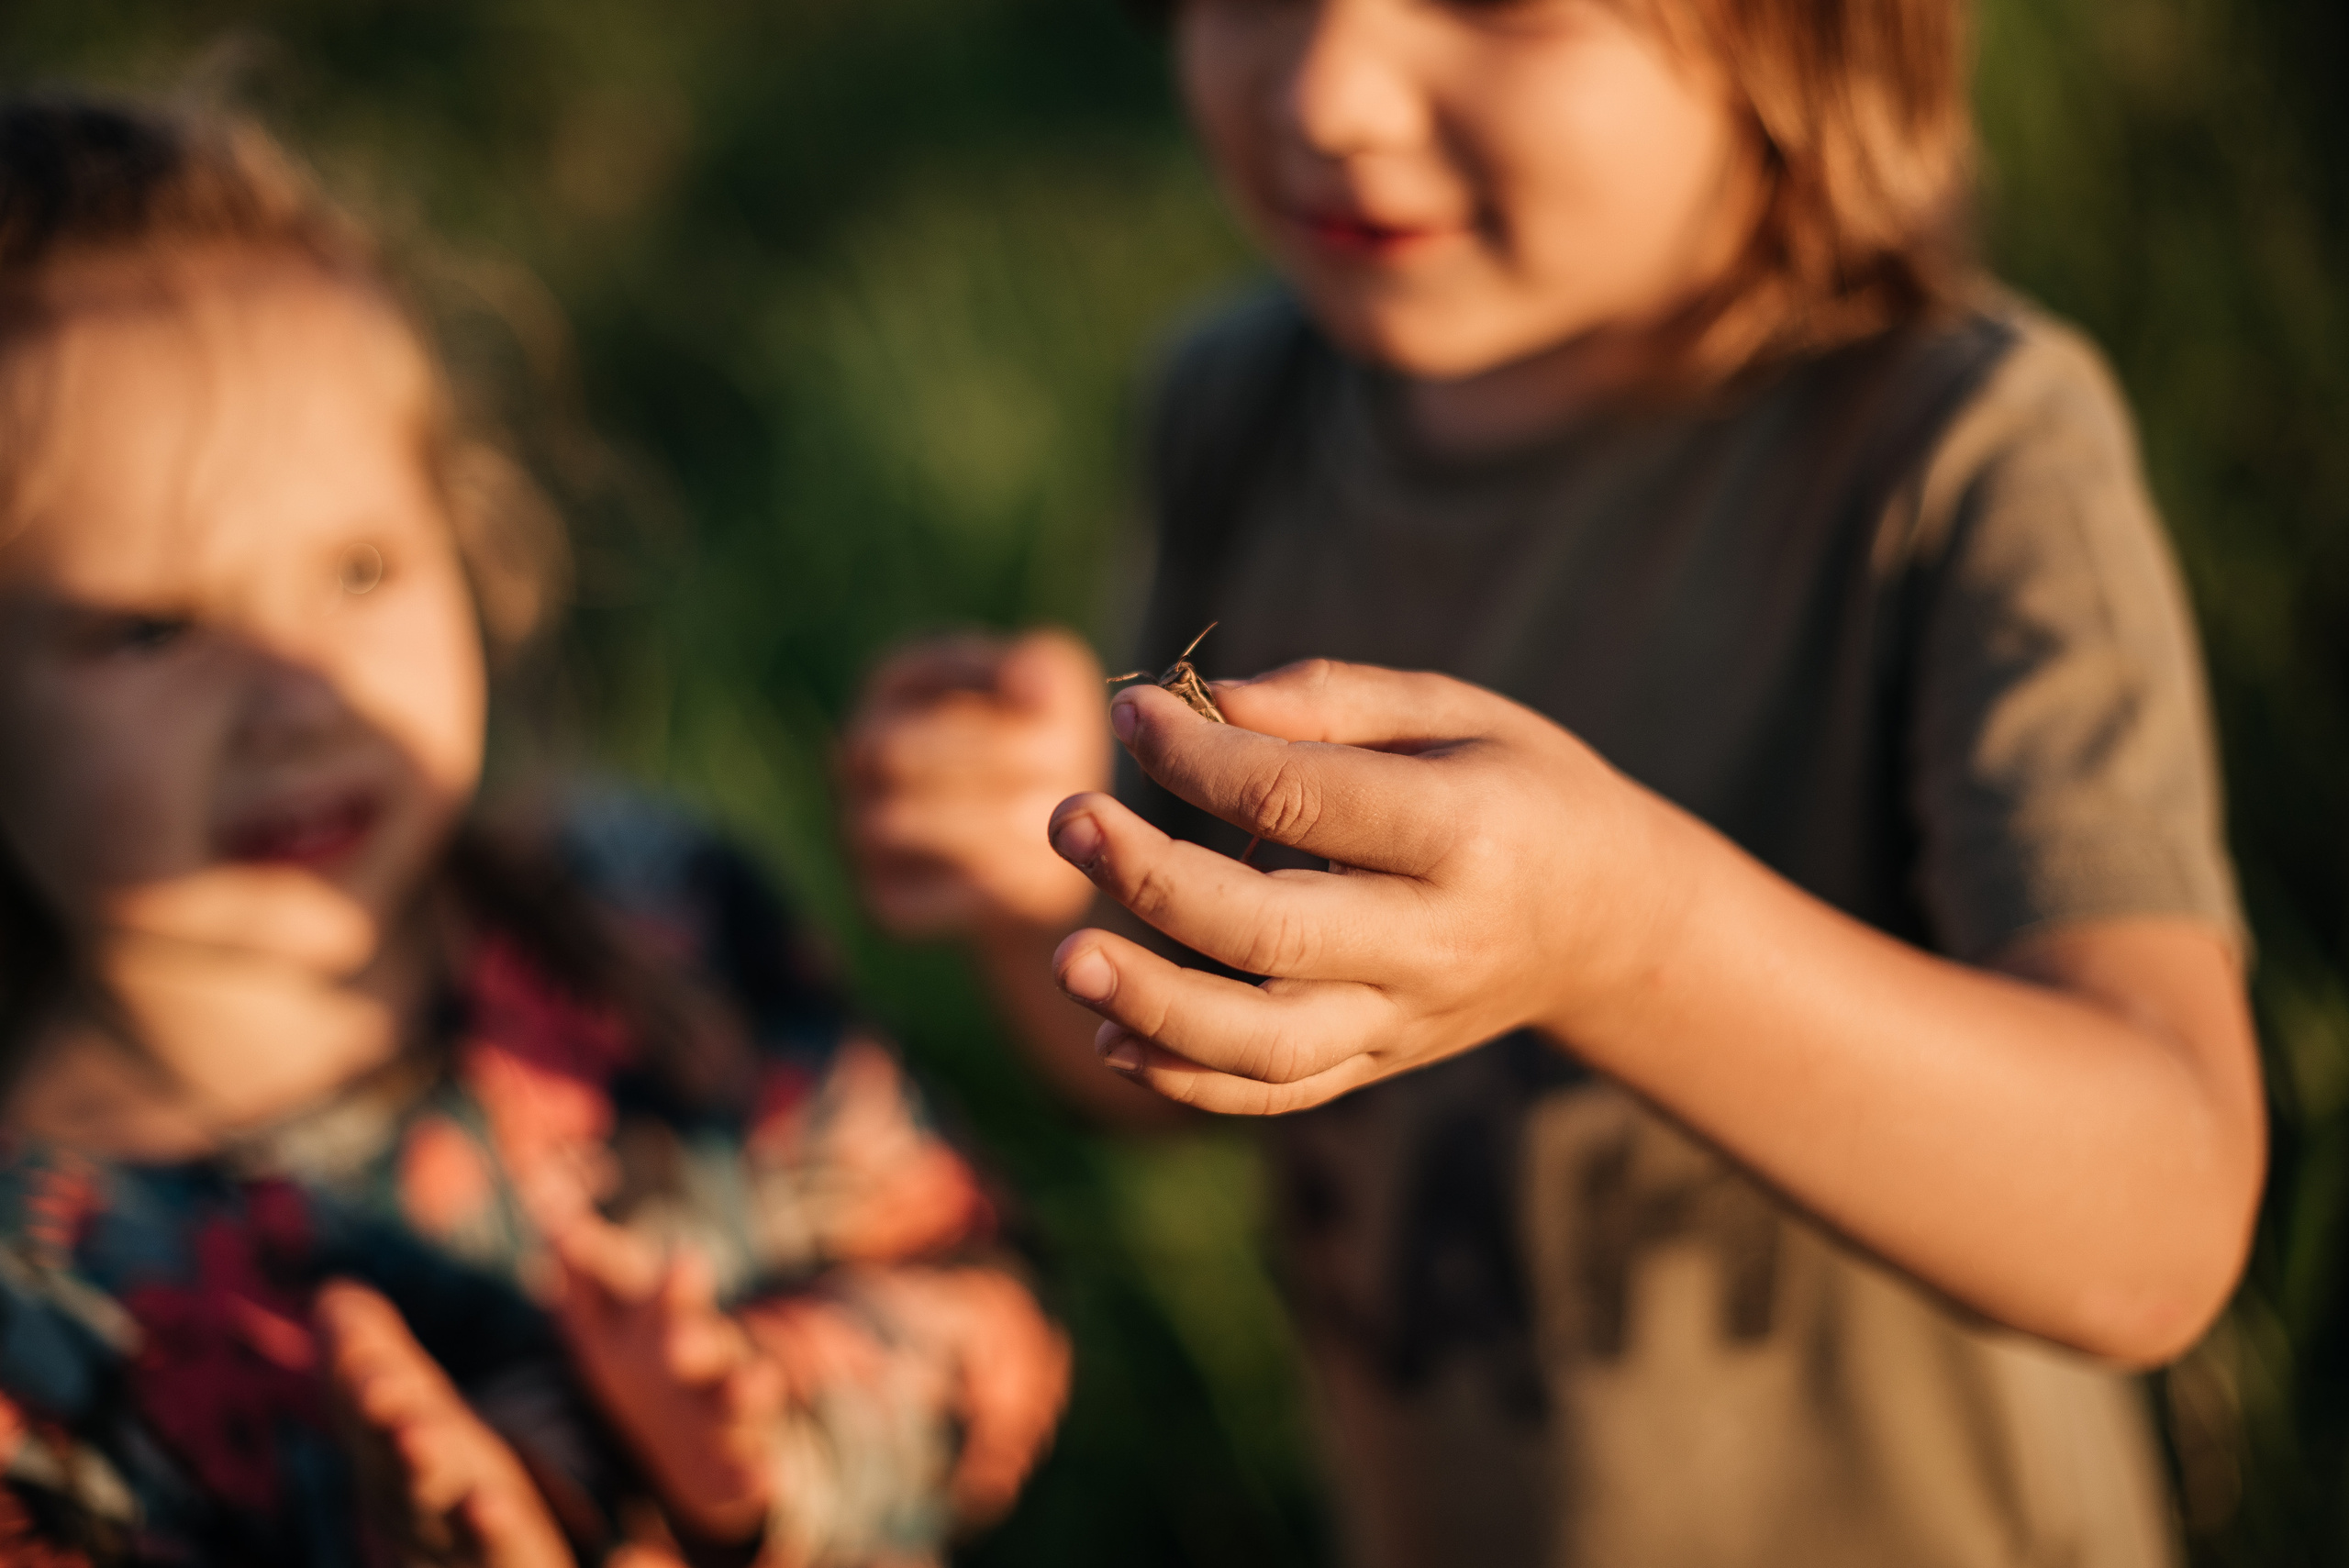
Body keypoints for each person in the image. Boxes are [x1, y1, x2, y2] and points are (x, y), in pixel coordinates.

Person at [840, 0, 2266, 1562]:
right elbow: (1192, 1034)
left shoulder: (1956, 455)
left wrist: (1627, 938)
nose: (1332, 91)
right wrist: (1053, 868)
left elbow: (2162, 1220)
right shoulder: (1234, 411)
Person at [0, 95, 1067, 1568]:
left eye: (360, 567)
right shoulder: (36, 1304)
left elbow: (982, 1293)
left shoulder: (658, 916)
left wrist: (757, 1435)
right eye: (151, 628)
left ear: (469, 538)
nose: (294, 694)